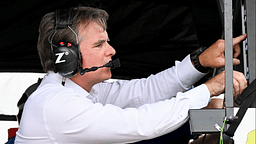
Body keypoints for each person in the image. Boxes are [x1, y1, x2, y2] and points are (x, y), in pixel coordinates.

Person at [15, 6, 247, 144]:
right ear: (67, 57)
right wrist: (207, 89)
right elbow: (141, 124)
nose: (111, 50)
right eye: (99, 45)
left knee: (212, 110)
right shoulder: (55, 104)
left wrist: (200, 62)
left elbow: (144, 92)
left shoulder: (79, 90)